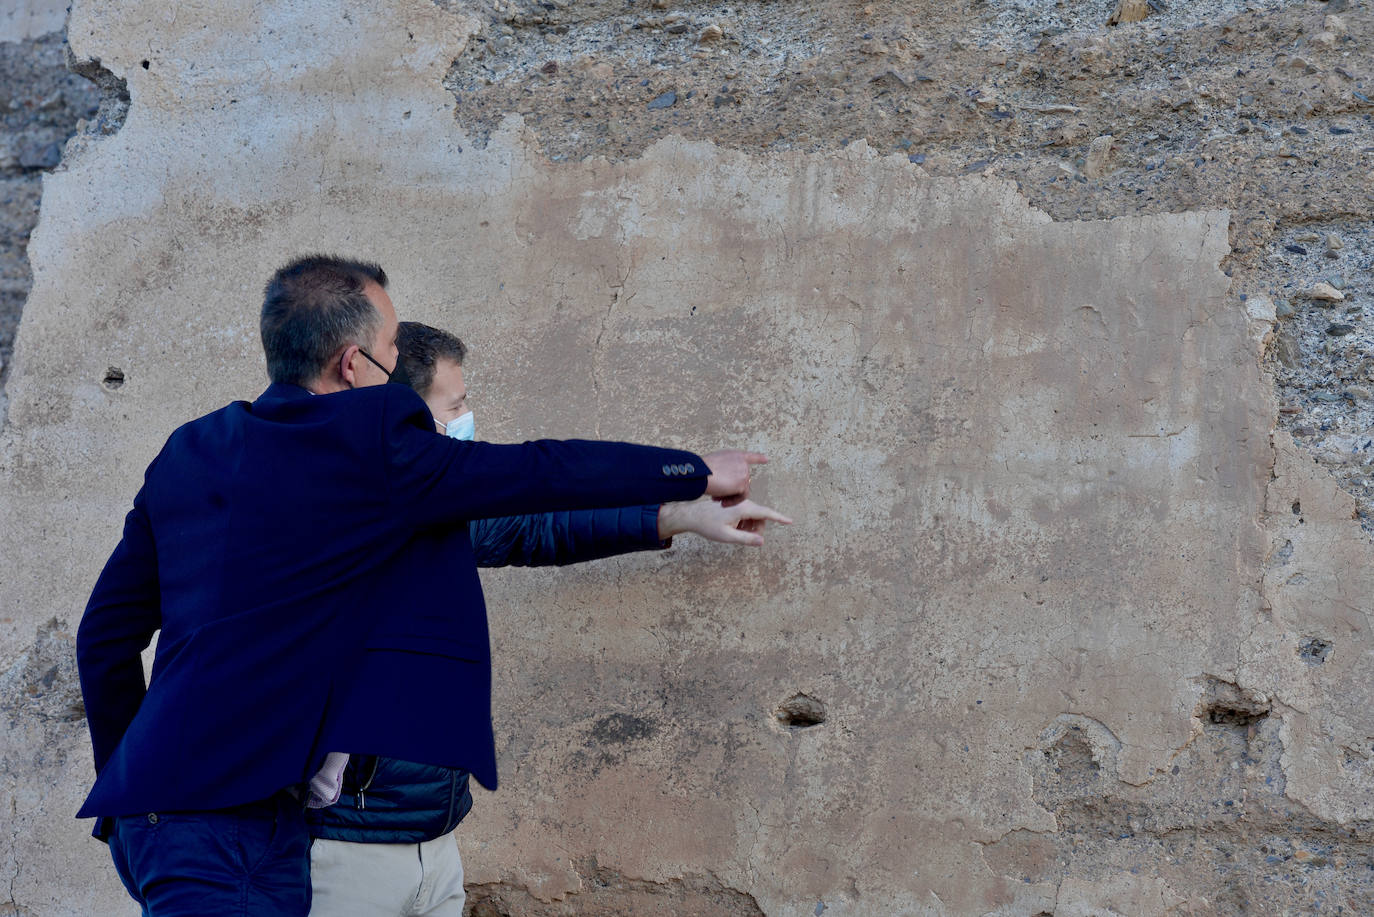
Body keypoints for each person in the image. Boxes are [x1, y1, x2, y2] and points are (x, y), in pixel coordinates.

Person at [75, 255, 775, 916]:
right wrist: (692, 468)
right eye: (389, 352)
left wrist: (132, 792)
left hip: (161, 817)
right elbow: (535, 472)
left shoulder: (192, 449)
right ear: (353, 365)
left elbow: (106, 635)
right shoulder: (372, 453)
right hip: (240, 829)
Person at [306, 322, 789, 916]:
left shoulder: (436, 513)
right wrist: (690, 476)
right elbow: (549, 471)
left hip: (436, 840)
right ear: (404, 417)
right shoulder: (343, 519)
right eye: (455, 406)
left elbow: (535, 526)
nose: (467, 418)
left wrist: (681, 516)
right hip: (348, 847)